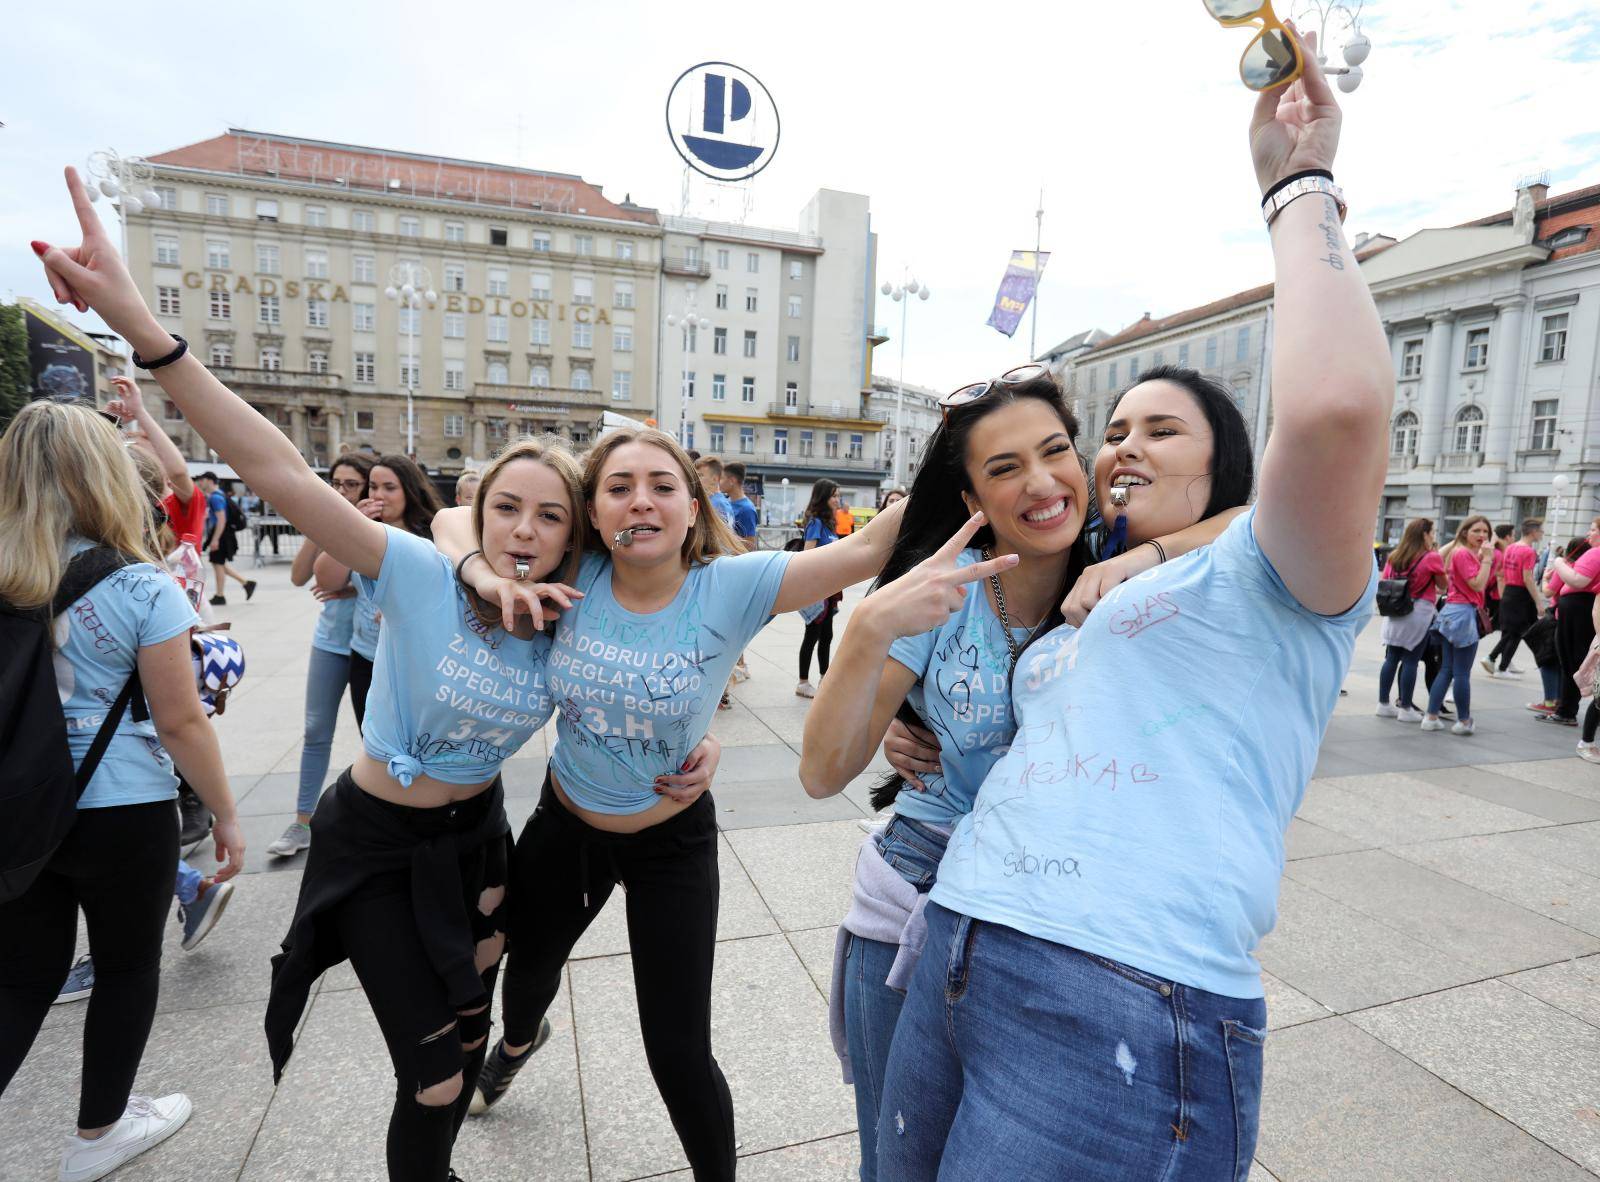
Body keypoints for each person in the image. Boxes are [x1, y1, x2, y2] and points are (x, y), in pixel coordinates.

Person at [29, 177, 722, 1182]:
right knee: (434, 1074)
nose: (524, 531)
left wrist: (693, 740)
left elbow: (654, 664)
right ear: (479, 520)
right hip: (374, 840)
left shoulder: (567, 625)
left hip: (475, 846)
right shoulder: (419, 571)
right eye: (507, 511)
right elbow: (279, 472)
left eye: (548, 518)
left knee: (461, 1043)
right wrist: (142, 326)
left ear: (575, 541)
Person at [872, 34, 1390, 1177]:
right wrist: (927, 725)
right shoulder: (1085, 596)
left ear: (1229, 461)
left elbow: (1340, 408)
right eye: (1113, 429)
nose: (1119, 449)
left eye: (1162, 429)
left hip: (1118, 987)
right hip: (957, 937)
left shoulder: (1274, 570)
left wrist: (1294, 183)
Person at [797, 365, 1239, 1182]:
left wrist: (1148, 555)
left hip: (1046, 920)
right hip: (918, 894)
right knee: (895, 1166)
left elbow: (1255, 516)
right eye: (1004, 469)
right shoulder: (938, 595)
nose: (1042, 484)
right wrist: (866, 632)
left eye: (1056, 452)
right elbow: (823, 774)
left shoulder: (1115, 565)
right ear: (972, 501)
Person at [440, 426, 908, 1179]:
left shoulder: (731, 586)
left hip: (672, 843)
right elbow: (454, 519)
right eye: (619, 487)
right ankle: (521, 1043)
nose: (642, 502)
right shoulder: (579, 569)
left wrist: (969, 443)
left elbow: (869, 548)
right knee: (526, 971)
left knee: (677, 1049)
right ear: (593, 512)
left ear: (694, 507)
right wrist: (485, 575)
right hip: (566, 826)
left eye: (663, 486)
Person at [0, 399, 244, 1182]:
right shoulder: (139, 585)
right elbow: (180, 723)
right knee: (127, 968)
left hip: (18, 807)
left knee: (24, 977)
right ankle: (98, 1133)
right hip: (124, 808)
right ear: (104, 474)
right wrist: (227, 813)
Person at [268, 454, 375, 858]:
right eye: (336, 483)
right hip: (332, 639)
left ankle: (370, 818)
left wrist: (351, 587)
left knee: (374, 736)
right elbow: (300, 576)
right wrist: (323, 519)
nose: (341, 491)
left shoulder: (376, 521)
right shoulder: (326, 516)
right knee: (316, 729)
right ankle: (302, 822)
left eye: (351, 484)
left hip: (372, 643)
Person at [341, 455, 445, 729]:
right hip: (365, 654)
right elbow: (326, 579)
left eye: (389, 487)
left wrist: (404, 606)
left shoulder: (431, 534)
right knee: (371, 741)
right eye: (373, 487)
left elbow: (447, 592)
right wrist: (351, 524)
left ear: (409, 491)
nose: (378, 495)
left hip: (413, 661)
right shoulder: (362, 530)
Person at [1421, 516, 1494, 736]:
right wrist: (1488, 560)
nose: (1482, 535)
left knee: (1447, 669)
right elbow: (1477, 584)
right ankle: (1463, 721)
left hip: (1452, 613)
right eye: (1476, 531)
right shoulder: (1463, 553)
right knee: (1461, 673)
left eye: (1485, 532)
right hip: (1462, 614)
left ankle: (1431, 716)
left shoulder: (1463, 552)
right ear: (1464, 533)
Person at [1376, 518, 1445, 723]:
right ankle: (1406, 707)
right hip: (1418, 612)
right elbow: (1443, 585)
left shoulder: (1394, 556)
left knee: (1391, 658)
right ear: (1424, 534)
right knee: (1411, 660)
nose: (1433, 536)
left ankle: (1383, 704)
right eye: (1432, 532)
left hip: (1395, 611)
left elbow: (1386, 581)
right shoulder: (1431, 557)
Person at [1544, 517, 1600, 729]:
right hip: (1577, 610)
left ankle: (1567, 710)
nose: (1589, 534)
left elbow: (1578, 580)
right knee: (1573, 659)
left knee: (1573, 660)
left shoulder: (1596, 552)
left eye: (1593, 529)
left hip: (1578, 611)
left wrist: (1559, 562)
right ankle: (1566, 708)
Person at [796, 479, 844, 698]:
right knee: (812, 634)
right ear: (823, 497)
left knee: (827, 635)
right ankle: (803, 681)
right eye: (834, 495)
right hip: (817, 588)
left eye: (838, 495)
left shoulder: (829, 523)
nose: (837, 499)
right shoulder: (815, 522)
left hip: (830, 588)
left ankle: (825, 677)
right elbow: (808, 555)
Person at [1485, 517, 1544, 677]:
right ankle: (1496, 661)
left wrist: (1504, 595)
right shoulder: (1529, 551)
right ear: (1533, 532)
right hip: (1521, 594)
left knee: (1512, 631)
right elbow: (1528, 578)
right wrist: (1538, 602)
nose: (1542, 534)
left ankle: (1500, 663)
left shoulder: (1510, 548)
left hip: (1509, 592)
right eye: (1540, 530)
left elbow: (1500, 573)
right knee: (1516, 632)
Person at [196, 471, 254, 606]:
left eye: (202, 480)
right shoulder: (219, 495)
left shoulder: (216, 498)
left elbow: (221, 520)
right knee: (219, 564)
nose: (200, 483)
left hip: (221, 535)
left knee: (218, 564)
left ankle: (220, 595)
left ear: (210, 481)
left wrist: (215, 539)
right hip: (223, 534)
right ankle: (246, 583)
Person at [696, 455, 734, 525]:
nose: (696, 479)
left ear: (715, 479)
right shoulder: (719, 501)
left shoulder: (717, 505)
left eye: (700, 475)